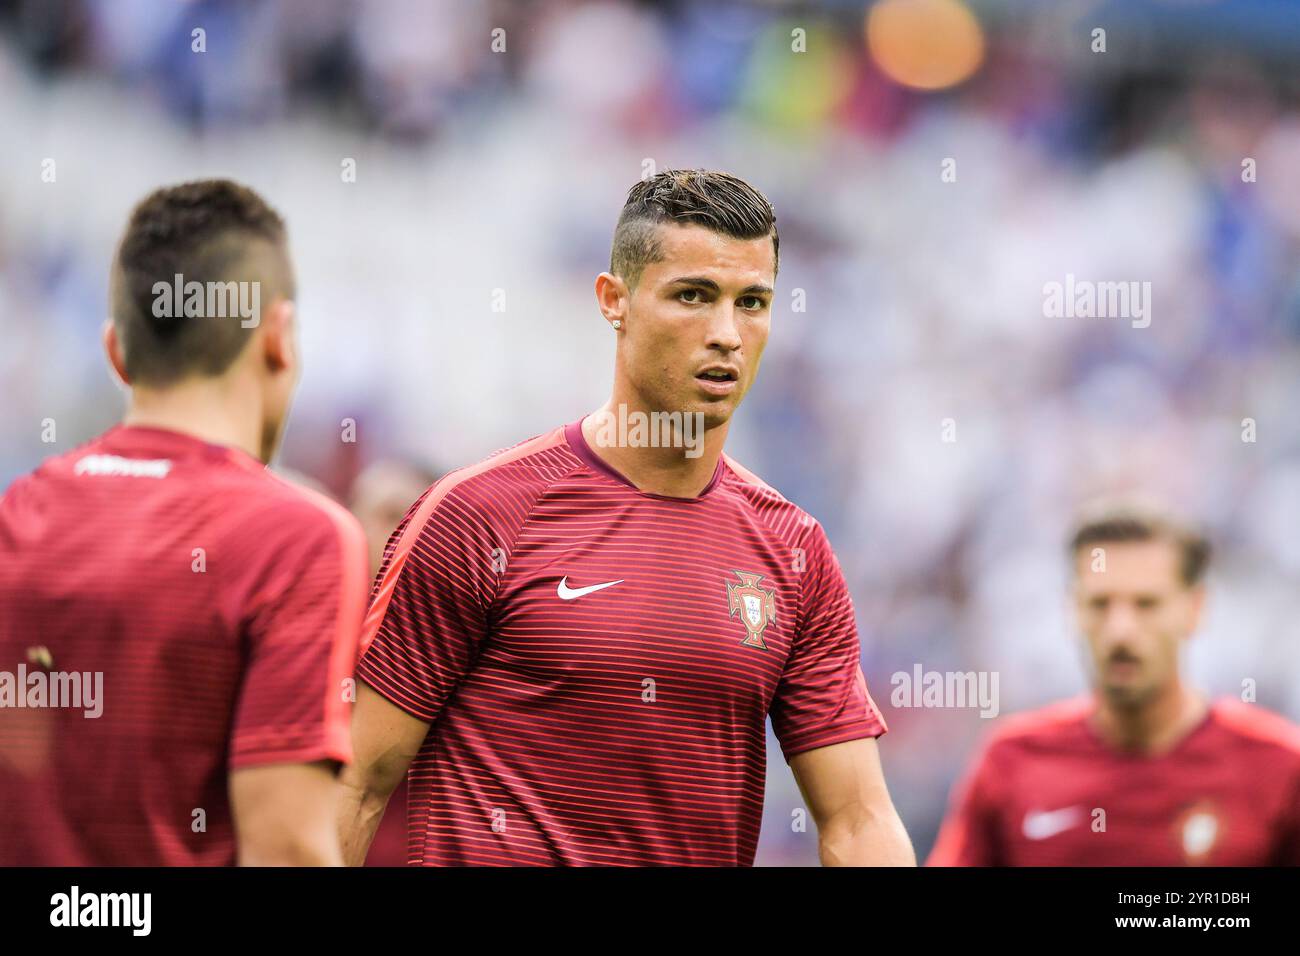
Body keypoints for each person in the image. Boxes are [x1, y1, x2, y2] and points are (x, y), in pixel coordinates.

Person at [338, 169, 914, 866]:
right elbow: (358, 786)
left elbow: (857, 820)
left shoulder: (794, 550)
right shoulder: (478, 516)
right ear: (615, 300)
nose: (727, 333)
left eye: (752, 302)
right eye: (694, 297)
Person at [0, 180, 368, 865]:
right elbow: (284, 849)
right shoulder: (297, 538)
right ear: (279, 337)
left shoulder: (16, 513)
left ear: (116, 353)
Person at [928, 503, 1300, 865]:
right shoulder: (1012, 759)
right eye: (1101, 604)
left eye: (1146, 604)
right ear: (1072, 610)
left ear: (1195, 609)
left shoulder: (1279, 766)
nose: (1120, 631)